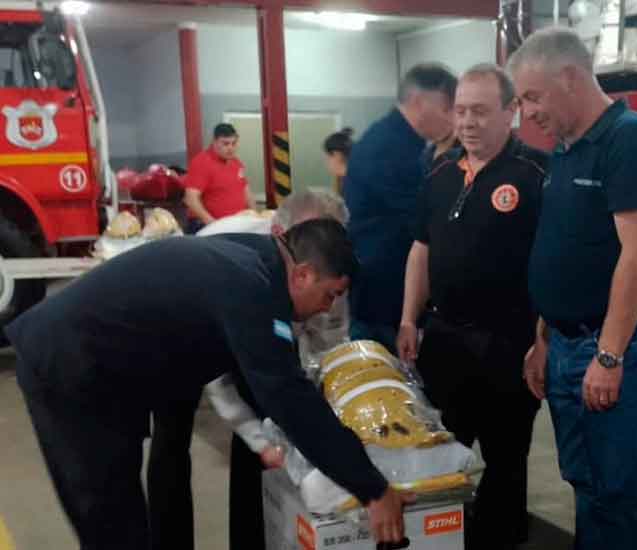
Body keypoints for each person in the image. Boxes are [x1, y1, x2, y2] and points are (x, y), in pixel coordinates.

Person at [7, 219, 413, 549]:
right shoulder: (249, 286)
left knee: (124, 518)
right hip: (69, 371)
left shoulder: (258, 262)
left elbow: (262, 373)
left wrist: (279, 437)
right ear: (304, 274)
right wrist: (373, 490)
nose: (327, 309)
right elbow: (286, 394)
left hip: (106, 374)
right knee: (113, 525)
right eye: (330, 295)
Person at [509, 27, 637, 549]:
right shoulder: (566, 149)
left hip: (610, 347)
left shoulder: (629, 137)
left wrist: (608, 355)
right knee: (585, 482)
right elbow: (563, 247)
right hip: (564, 344)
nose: (526, 112)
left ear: (571, 78)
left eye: (532, 97)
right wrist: (544, 336)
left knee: (616, 493)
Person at [397, 63, 547, 549]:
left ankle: (500, 540)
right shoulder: (440, 173)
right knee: (443, 456)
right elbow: (421, 249)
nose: (467, 122)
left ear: (511, 112)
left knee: (506, 461)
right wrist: (407, 318)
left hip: (509, 346)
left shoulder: (536, 176)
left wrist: (542, 340)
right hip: (445, 341)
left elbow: (553, 267)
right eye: (460, 111)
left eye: (480, 112)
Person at [198, 190, 352, 550]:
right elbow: (218, 377)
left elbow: (330, 340)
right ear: (280, 233)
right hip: (177, 331)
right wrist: (257, 438)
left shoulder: (327, 256)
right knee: (237, 439)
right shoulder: (234, 260)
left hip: (267, 323)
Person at [344, 63, 457, 353]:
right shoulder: (391, 149)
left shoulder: (398, 141)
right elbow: (423, 219)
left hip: (387, 287)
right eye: (448, 108)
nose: (454, 119)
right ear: (420, 102)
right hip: (386, 291)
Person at [183, 123, 254, 232]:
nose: (231, 148)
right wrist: (214, 225)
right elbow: (191, 199)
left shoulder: (236, 163)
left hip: (235, 225)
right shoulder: (201, 163)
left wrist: (255, 215)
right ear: (214, 142)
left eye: (234, 143)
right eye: (226, 144)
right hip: (208, 226)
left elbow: (246, 191)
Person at [323, 128, 354, 194]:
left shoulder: (354, 184)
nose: (326, 161)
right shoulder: (342, 179)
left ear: (337, 155)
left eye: (328, 157)